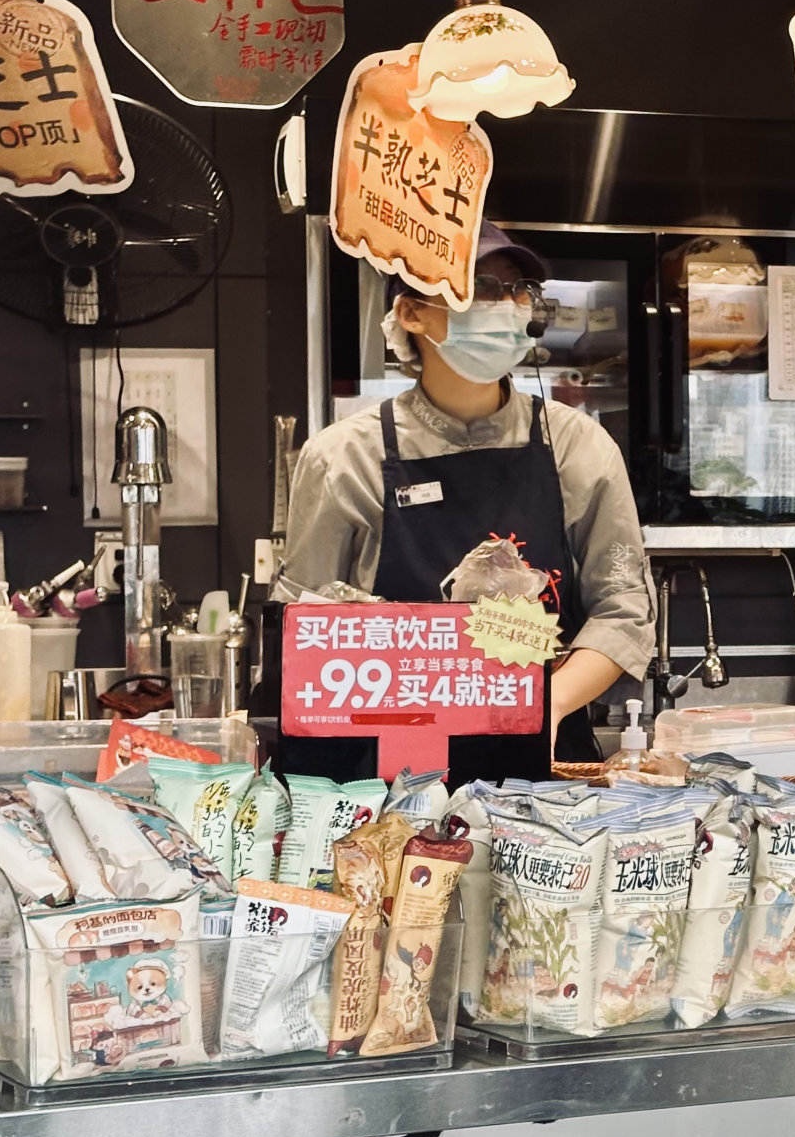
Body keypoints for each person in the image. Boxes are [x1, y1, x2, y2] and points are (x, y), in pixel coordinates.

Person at [278, 222, 655, 772]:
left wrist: (539, 709)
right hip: (386, 777)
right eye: (479, 286)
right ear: (411, 313)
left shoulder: (578, 445)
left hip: (543, 772)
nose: (506, 306)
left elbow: (623, 611)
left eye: (518, 289)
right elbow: (306, 631)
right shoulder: (342, 457)